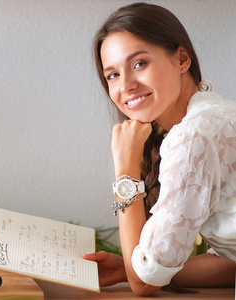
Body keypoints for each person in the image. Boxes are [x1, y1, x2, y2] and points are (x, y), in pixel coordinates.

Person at [82, 2, 236, 296]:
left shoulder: (193, 137)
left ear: (181, 59)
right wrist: (129, 267)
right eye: (112, 74)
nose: (125, 85)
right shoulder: (213, 117)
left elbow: (144, 284)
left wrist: (125, 169)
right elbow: (231, 264)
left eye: (139, 63)